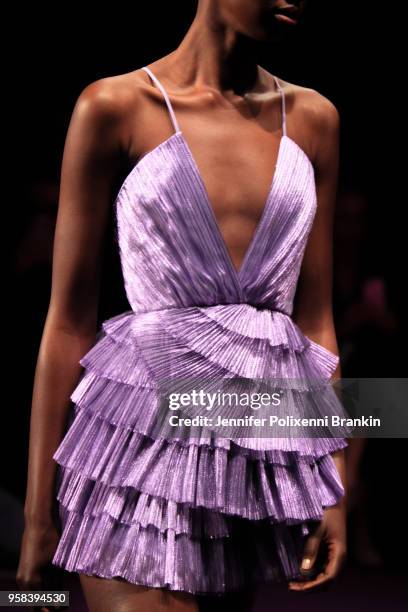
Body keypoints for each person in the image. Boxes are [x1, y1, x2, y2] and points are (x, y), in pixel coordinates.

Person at [17, 1, 347, 610]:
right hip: (133, 450)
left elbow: (315, 322)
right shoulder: (114, 106)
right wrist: (37, 516)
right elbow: (66, 322)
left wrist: (334, 489)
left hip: (245, 465)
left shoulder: (313, 118)